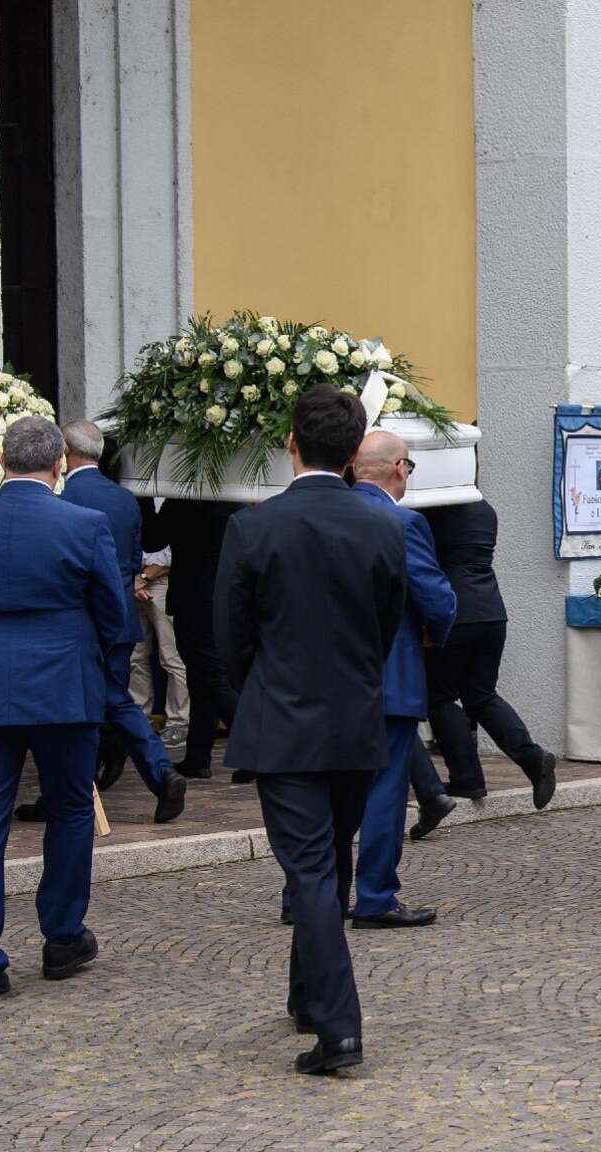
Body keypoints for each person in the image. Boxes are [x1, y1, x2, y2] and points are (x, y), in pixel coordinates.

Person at [218, 387, 407, 1075]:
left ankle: (338, 1026)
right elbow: (386, 628)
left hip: (287, 718)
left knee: (312, 872)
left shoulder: (254, 527)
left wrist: (262, 691)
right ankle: (308, 996)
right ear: (356, 453)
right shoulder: (384, 526)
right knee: (331, 860)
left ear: (291, 443)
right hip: (354, 717)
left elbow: (230, 639)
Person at [0, 417, 128, 1007]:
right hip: (64, 688)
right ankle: (62, 937)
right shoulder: (84, 522)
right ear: (60, 464)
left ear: (2, 458)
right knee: (70, 811)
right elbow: (113, 615)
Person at [347, 429, 456, 928]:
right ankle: (374, 896)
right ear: (397, 468)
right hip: (389, 673)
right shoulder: (402, 522)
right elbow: (435, 596)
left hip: (326, 676)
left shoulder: (326, 513)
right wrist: (436, 630)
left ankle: (301, 895)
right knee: (385, 791)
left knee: (326, 790)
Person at [59, 422, 184, 824]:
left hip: (77, 620)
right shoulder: (124, 498)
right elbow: (133, 559)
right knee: (115, 698)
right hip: (120, 617)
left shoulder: (62, 496)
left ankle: (67, 791)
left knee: (70, 707)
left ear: (66, 452)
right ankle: (160, 772)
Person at [419, 492, 558, 817]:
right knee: (480, 695)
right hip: (491, 609)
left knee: (440, 698)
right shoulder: (485, 509)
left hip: (453, 610)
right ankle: (532, 757)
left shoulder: (433, 507)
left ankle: (467, 778)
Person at [161, 497, 240, 779]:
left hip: (193, 597)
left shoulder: (184, 501)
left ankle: (255, 747)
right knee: (203, 676)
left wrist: (144, 499)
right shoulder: (234, 501)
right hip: (225, 595)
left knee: (209, 673)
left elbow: (153, 539)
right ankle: (198, 754)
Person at [129, 498, 188, 757]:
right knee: (136, 655)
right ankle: (138, 718)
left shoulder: (173, 498)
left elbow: (177, 550)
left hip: (162, 581)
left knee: (171, 657)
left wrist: (144, 578)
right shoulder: (134, 496)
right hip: (135, 581)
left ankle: (179, 722)